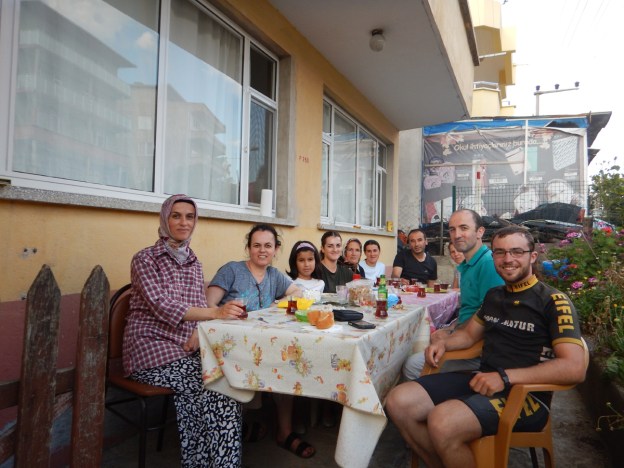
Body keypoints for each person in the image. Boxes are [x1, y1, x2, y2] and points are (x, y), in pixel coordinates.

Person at [386, 226, 586, 468]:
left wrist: (505, 377)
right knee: (398, 401)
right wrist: (443, 342)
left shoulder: (553, 301)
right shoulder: (494, 296)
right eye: (500, 252)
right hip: (482, 379)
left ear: (532, 256)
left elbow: (574, 367)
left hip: (527, 395)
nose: (508, 259)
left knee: (443, 422)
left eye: (516, 251)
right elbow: (468, 336)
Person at [123, 194, 244, 467]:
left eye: (190, 216)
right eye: (176, 215)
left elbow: (198, 304)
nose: (183, 222)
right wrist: (215, 313)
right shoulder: (145, 259)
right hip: (150, 349)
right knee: (217, 387)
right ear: (164, 218)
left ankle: (205, 462)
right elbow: (161, 305)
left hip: (184, 347)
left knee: (224, 380)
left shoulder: (193, 261)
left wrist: (199, 330)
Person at [206, 224, 314, 459]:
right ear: (248, 248)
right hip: (230, 347)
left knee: (287, 363)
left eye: (268, 245)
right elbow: (208, 304)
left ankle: (284, 432)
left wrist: (277, 303)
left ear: (276, 249)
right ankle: (233, 429)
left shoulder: (274, 275)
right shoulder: (232, 270)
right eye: (256, 245)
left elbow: (298, 292)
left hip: (261, 344)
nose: (262, 250)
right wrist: (222, 311)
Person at [402, 210, 503, 380]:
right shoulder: (467, 265)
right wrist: (450, 328)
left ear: (480, 232)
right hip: (464, 334)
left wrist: (451, 335)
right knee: (420, 339)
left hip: (479, 350)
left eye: (464, 228)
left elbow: (488, 317)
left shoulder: (488, 264)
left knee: (411, 365)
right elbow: (470, 310)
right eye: (452, 229)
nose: (457, 235)